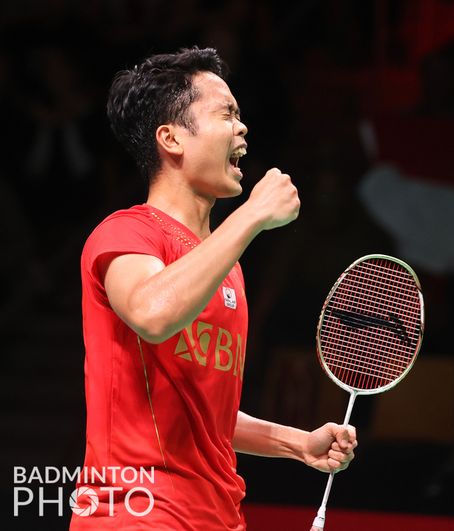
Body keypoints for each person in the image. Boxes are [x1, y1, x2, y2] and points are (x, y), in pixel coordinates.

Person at [71, 46, 357, 530]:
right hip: (136, 512)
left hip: (218, 516)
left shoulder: (225, 267)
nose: (242, 128)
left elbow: (207, 414)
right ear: (171, 139)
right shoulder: (125, 234)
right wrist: (251, 216)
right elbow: (153, 313)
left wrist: (298, 444)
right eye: (225, 113)